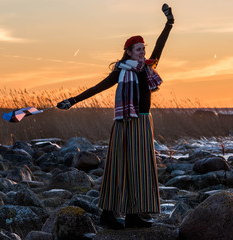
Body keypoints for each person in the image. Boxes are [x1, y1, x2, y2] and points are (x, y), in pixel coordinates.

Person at [57, 3, 174, 229]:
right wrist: (72, 101)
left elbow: (161, 44)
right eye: (138, 49)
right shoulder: (121, 71)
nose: (143, 52)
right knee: (120, 168)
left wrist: (169, 22)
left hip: (142, 122)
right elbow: (97, 87)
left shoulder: (149, 67)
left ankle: (133, 215)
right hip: (125, 124)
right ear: (128, 52)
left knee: (141, 169)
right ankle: (108, 216)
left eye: (143, 49)